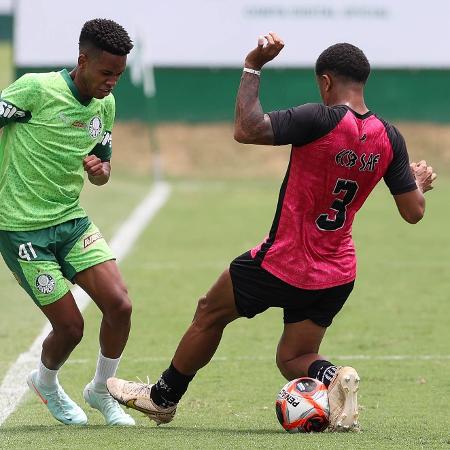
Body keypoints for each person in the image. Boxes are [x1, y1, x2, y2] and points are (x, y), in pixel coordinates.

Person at [107, 33, 437, 431]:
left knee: (209, 312)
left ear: (326, 81)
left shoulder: (322, 117)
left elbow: (247, 129)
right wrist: (417, 183)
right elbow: (414, 211)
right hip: (337, 272)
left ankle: (161, 399)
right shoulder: (390, 136)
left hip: (284, 260)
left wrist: (253, 66)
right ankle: (335, 378)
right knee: (293, 358)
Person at [0, 19, 136, 426]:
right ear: (82, 61)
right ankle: (46, 381)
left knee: (120, 306)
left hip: (70, 220)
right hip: (21, 228)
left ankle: (101, 390)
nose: (112, 82)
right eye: (106, 72)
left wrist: (100, 172)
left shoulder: (104, 104)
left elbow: (103, 165)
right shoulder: (36, 89)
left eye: (119, 75)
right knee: (71, 327)